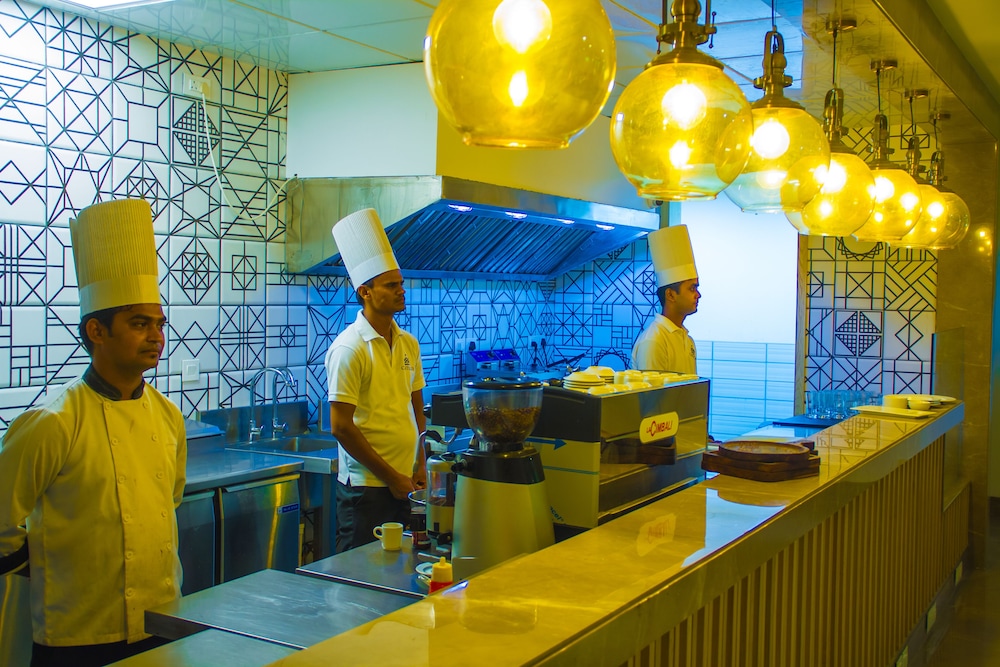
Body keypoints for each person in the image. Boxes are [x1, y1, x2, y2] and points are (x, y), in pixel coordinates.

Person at [0, 199, 186, 667]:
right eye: (139, 324)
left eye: (158, 325)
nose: (156, 337)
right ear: (96, 331)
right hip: (76, 632)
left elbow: (171, 500)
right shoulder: (54, 422)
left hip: (161, 619)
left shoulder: (168, 416)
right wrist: (50, 568)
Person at [325, 208, 427, 553]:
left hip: (406, 482)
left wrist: (420, 463)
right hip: (367, 488)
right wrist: (392, 478)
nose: (401, 291)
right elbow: (341, 426)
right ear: (365, 292)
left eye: (401, 284)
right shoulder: (349, 349)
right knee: (359, 574)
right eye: (391, 285)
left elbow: (416, 408)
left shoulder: (408, 343)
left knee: (403, 569)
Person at [631, 225, 701, 374]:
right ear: (670, 295)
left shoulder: (687, 339)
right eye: (692, 288)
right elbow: (652, 389)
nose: (698, 295)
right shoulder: (654, 341)